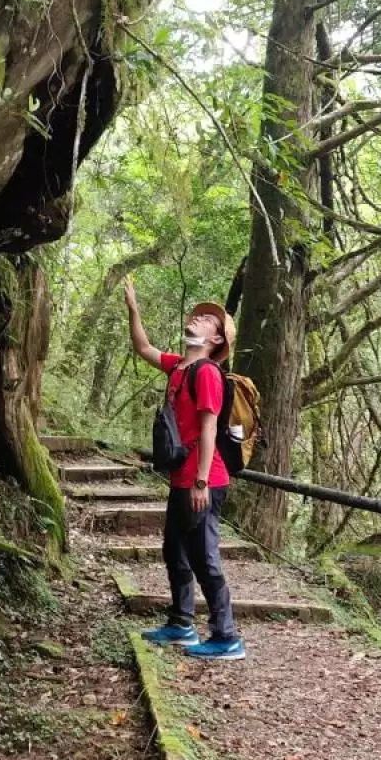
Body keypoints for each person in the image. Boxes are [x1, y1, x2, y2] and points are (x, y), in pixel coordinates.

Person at [122, 277, 246, 661]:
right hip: (183, 478)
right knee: (173, 550)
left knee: (203, 556)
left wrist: (201, 481)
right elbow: (143, 347)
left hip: (203, 479)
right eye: (200, 315)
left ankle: (227, 637)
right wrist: (133, 307)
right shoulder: (180, 367)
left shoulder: (207, 373)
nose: (199, 319)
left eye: (209, 320)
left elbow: (209, 427)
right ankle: (181, 623)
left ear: (216, 340)